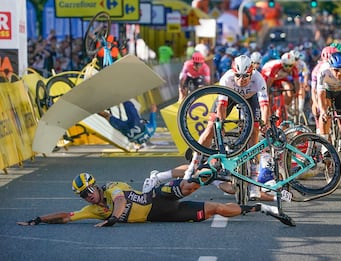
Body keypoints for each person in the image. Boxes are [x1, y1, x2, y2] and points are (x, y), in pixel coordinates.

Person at [17, 172, 295, 227]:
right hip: (162, 216)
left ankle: (213, 170)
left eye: (90, 189)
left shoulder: (114, 187)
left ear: (97, 186)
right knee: (215, 210)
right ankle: (263, 208)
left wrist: (113, 220)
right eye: (84, 194)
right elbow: (66, 216)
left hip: (156, 199)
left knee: (189, 186)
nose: (89, 195)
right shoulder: (93, 210)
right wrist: (38, 219)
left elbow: (121, 204)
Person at [185, 55, 270, 200]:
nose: (241, 79)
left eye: (245, 76)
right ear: (233, 72)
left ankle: (254, 183)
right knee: (212, 126)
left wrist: (264, 123)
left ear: (252, 72)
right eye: (238, 75)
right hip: (229, 97)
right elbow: (221, 105)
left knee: (255, 131)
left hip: (250, 99)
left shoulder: (258, 79)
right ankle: (193, 164)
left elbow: (264, 106)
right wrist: (221, 124)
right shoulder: (227, 78)